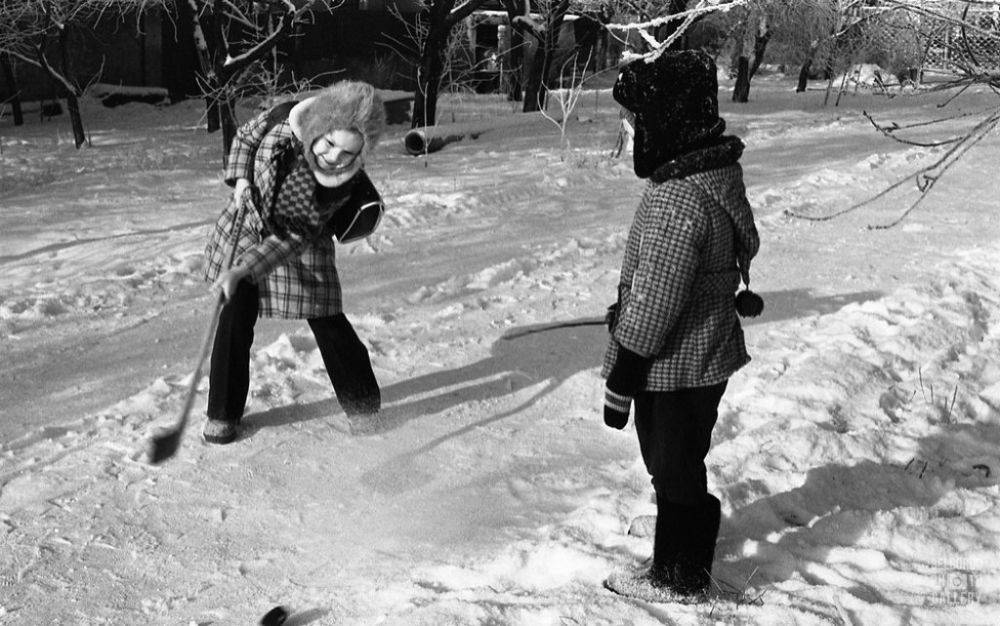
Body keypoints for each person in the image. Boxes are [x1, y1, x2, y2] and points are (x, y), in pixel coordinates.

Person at [601, 51, 761, 603]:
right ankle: (676, 560)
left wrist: (624, 373)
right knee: (678, 463)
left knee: (672, 467)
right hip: (703, 354)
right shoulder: (710, 177)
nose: (633, 131)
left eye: (639, 121)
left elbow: (655, 300)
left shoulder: (677, 199)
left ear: (666, 123)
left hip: (675, 361)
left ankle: (682, 578)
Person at [202, 80, 386, 444]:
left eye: (348, 154)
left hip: (301, 247)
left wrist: (241, 269)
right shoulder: (285, 117)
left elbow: (289, 239)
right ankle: (222, 414)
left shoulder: (333, 183)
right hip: (248, 229)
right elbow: (246, 137)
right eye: (330, 143)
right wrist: (240, 178)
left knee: (327, 320)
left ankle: (363, 405)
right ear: (318, 125)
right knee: (235, 310)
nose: (334, 157)